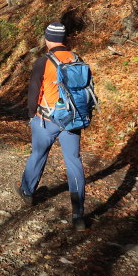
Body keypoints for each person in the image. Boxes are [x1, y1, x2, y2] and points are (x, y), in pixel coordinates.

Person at [14, 22, 87, 231]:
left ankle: (27, 192)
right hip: (72, 119)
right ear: (64, 39)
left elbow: (33, 93)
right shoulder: (77, 59)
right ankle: (78, 215)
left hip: (47, 119)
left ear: (47, 39)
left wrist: (31, 116)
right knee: (74, 161)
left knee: (38, 154)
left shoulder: (44, 61)